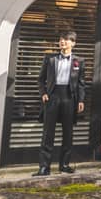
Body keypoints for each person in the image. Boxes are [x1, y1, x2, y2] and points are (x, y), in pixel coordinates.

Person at [33, 31, 85, 176]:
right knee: (47, 133)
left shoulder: (79, 61)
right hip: (52, 97)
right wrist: (43, 93)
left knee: (68, 133)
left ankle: (64, 165)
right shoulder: (50, 59)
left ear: (73, 43)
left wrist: (81, 100)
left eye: (66, 40)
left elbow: (81, 83)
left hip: (69, 98)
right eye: (61, 40)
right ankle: (44, 167)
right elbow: (40, 79)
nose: (62, 42)